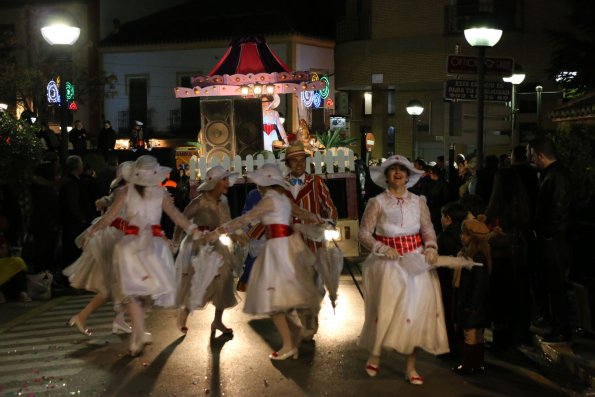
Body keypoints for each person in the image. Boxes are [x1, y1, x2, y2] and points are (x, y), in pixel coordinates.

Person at [204, 164, 323, 361]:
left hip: (277, 249)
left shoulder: (268, 200)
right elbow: (302, 213)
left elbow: (245, 219)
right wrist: (318, 218)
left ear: (263, 183)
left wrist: (218, 231)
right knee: (286, 295)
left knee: (272, 301)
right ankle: (296, 333)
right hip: (291, 247)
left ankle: (289, 344)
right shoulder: (284, 198)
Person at [85, 155, 201, 355]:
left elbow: (108, 218)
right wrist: (193, 229)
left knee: (134, 293)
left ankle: (138, 335)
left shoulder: (125, 192)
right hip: (153, 248)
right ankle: (138, 334)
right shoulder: (160, 193)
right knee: (141, 293)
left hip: (131, 246)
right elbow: (177, 216)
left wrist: (91, 232)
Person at [357, 155, 446, 385]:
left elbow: (428, 230)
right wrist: (380, 247)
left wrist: (431, 248)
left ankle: (411, 367)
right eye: (393, 170)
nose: (397, 173)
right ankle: (375, 352)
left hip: (416, 263)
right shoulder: (377, 202)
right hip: (388, 265)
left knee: (415, 314)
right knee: (385, 310)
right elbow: (364, 233)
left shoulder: (419, 202)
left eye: (402, 170)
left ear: (408, 176)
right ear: (386, 176)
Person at [63, 165, 132, 336]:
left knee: (119, 286)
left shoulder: (127, 190)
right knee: (114, 286)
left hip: (121, 239)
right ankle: (85, 317)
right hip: (115, 240)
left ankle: (118, 320)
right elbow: (110, 212)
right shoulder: (125, 191)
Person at [171, 165, 240, 336]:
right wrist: (175, 243)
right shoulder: (198, 202)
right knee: (197, 282)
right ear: (215, 182)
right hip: (198, 246)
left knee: (223, 281)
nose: (227, 183)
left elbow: (226, 223)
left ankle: (217, 321)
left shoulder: (223, 201)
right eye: (224, 180)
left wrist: (236, 236)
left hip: (216, 245)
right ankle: (183, 315)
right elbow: (181, 221)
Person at [284, 142, 338, 342]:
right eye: (295, 160)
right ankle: (304, 319)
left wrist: (330, 222)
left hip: (314, 240)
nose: (299, 163)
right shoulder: (281, 185)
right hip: (291, 241)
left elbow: (329, 206)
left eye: (302, 159)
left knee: (316, 284)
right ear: (288, 163)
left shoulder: (316, 182)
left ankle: (312, 314)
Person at [528, 137, 572, 342]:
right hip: (551, 239)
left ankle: (561, 329)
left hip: (554, 241)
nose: (531, 159)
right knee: (552, 285)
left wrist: (548, 233)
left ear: (539, 155)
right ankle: (556, 325)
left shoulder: (555, 176)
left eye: (532, 155)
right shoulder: (554, 174)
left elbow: (559, 209)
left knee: (556, 286)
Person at [452, 215, 492, 375]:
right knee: (475, 335)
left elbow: (478, 284)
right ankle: (477, 363)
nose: (461, 237)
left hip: (474, 304)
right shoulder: (469, 255)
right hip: (474, 303)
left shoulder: (477, 258)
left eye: (465, 234)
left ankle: (469, 364)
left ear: (474, 238)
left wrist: (472, 305)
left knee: (471, 335)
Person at [0, 236, 31, 303]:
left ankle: (22, 293)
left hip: (14, 287)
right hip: (2, 289)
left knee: (18, 264)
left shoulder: (15, 261)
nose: (1, 251)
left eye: (2, 248)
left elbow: (22, 277)